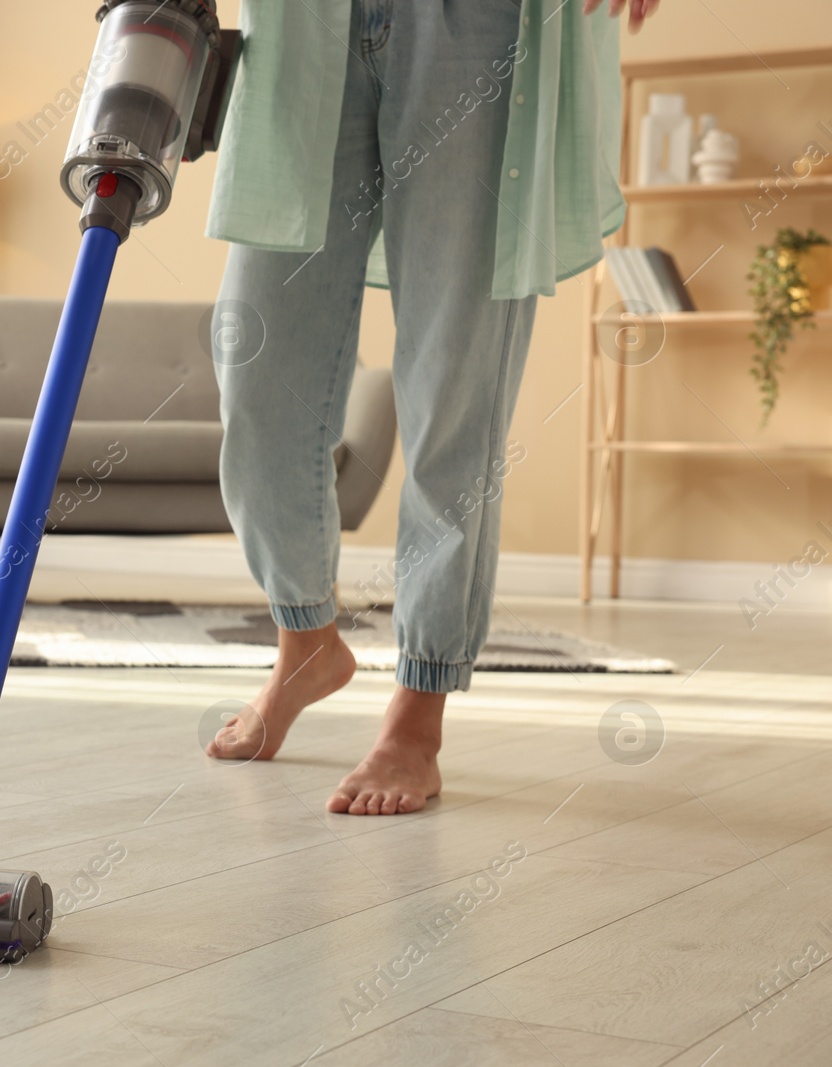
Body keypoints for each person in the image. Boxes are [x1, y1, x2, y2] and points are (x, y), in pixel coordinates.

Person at [203, 0, 659, 813]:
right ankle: (305, 641)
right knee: (258, 371)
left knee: (454, 385)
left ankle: (419, 709)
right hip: (308, 22)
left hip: (483, 25)